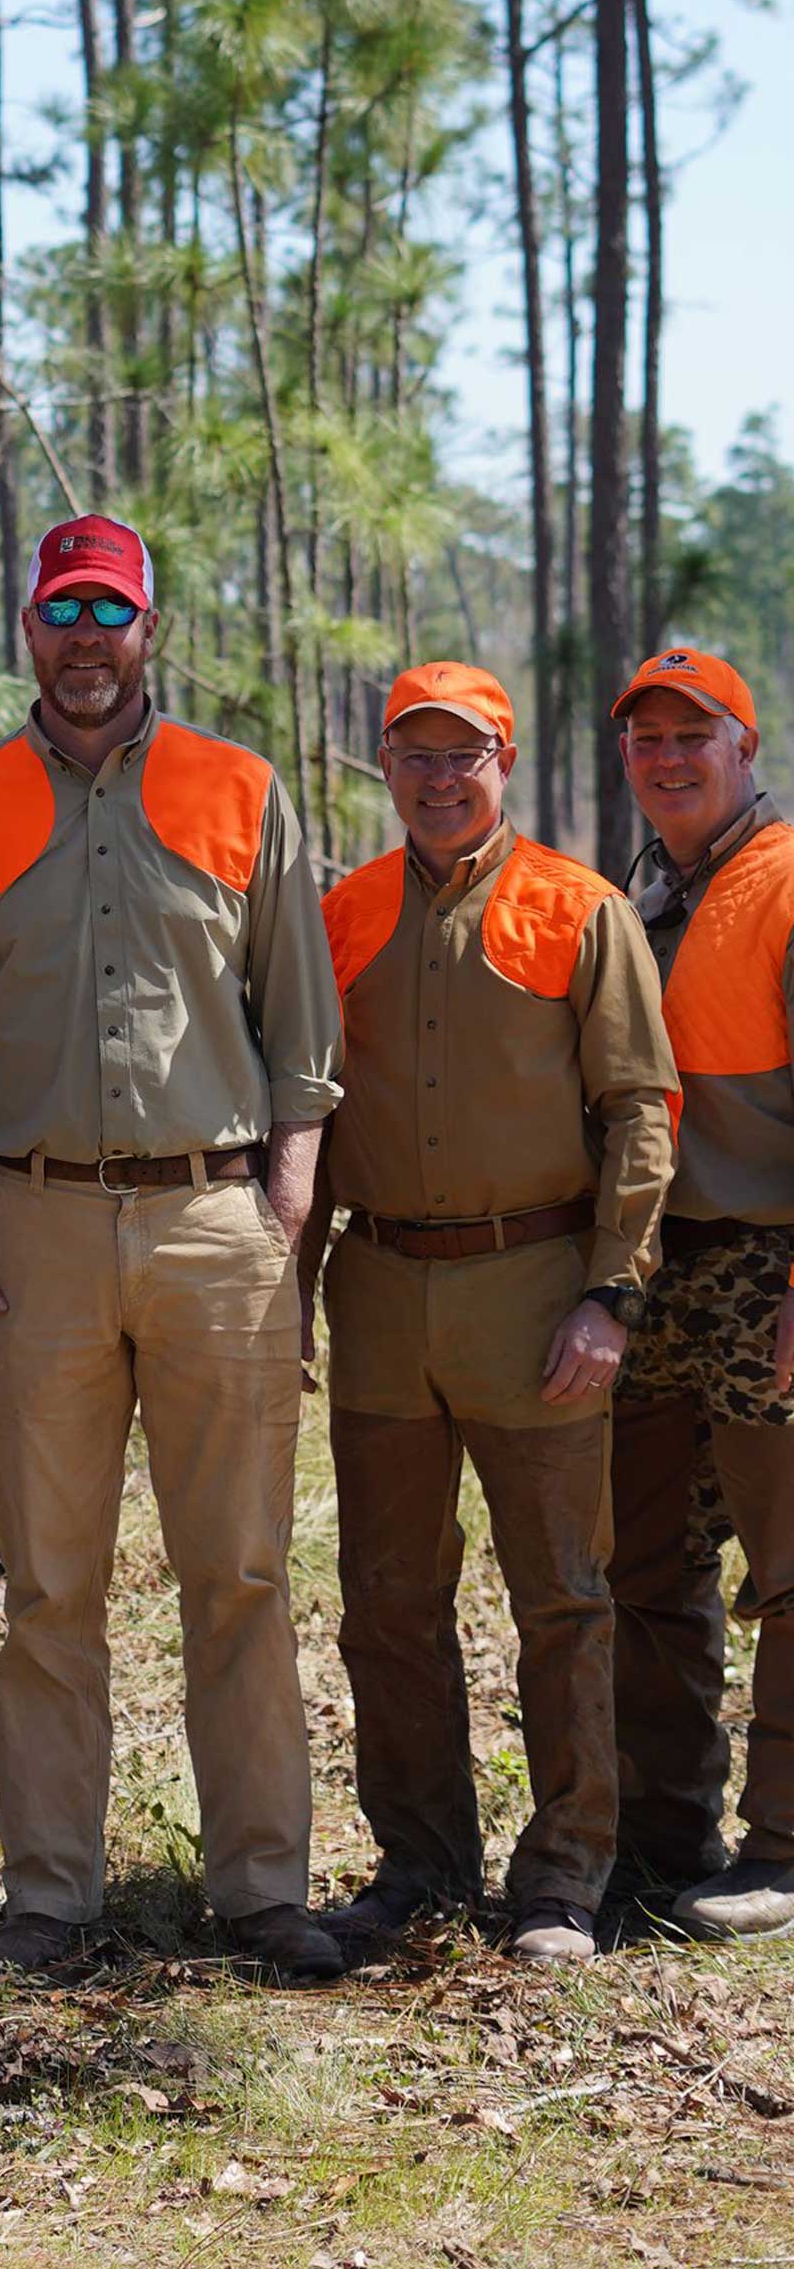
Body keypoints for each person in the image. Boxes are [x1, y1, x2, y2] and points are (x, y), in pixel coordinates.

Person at [0, 513, 345, 1980]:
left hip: (219, 1223)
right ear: (27, 631)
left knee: (243, 1573)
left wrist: (276, 1220)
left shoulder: (237, 789)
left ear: (149, 629)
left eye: (111, 614)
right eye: (62, 614)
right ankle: (49, 1896)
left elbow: (305, 1046)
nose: (87, 642)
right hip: (31, 1229)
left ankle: (264, 1887)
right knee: (50, 1584)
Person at [314, 663, 678, 1966]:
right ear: (388, 768)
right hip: (381, 1293)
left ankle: (564, 1878)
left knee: (564, 1597)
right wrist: (289, 1294)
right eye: (414, 755)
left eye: (462, 754)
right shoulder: (342, 912)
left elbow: (642, 1107)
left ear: (503, 762)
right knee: (386, 1601)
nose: (438, 777)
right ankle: (417, 1863)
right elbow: (305, 1114)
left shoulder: (579, 910)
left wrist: (608, 1292)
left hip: (538, 1294)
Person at [611, 646, 794, 1941]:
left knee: (791, 1570)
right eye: (649, 739)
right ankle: (670, 1837)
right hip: (655, 1274)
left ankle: (784, 1850)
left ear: (749, 750)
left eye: (697, 736)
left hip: (768, 1268)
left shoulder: (783, 882)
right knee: (652, 1564)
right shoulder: (647, 891)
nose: (670, 757)